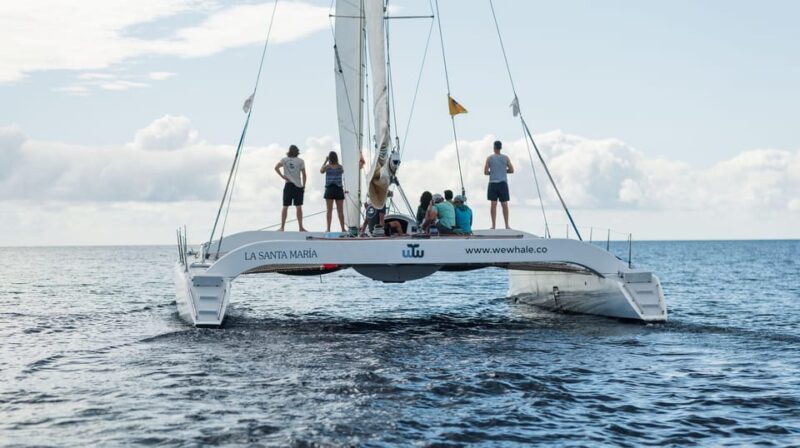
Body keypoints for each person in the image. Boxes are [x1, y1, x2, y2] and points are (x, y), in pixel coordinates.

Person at [274, 144, 307, 231]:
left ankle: (282, 227)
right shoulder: (301, 161)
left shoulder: (284, 160)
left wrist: (282, 176)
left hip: (288, 184)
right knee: (298, 207)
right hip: (298, 186)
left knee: (285, 206)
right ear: (297, 152)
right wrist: (304, 185)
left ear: (289, 151)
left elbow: (276, 167)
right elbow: (304, 175)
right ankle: (300, 227)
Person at [484, 140, 514, 229]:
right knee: (504, 204)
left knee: (493, 204)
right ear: (501, 148)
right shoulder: (506, 158)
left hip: (493, 183)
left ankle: (493, 225)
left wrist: (493, 172)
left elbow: (485, 172)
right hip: (503, 183)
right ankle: (507, 225)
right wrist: (503, 171)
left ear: (494, 147)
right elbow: (512, 170)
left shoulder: (489, 158)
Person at [320, 150, 345, 232]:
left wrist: (326, 161)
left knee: (329, 211)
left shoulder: (327, 167)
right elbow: (343, 171)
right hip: (338, 189)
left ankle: (328, 228)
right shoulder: (340, 167)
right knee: (340, 211)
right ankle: (343, 228)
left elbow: (321, 171)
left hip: (330, 189)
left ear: (330, 158)